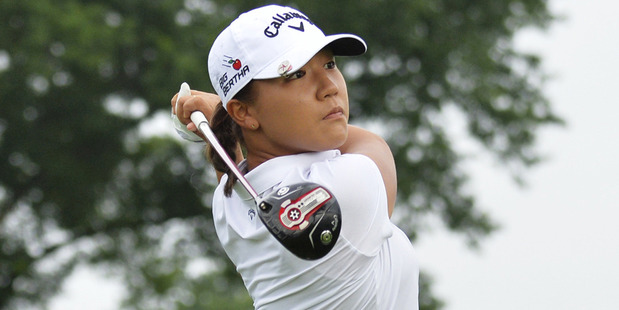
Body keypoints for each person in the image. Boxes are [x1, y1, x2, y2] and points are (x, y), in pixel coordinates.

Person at [171, 4, 419, 309]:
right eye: (297, 73)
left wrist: (226, 119)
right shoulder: (347, 189)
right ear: (244, 111)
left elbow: (233, 168)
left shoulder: (228, 202)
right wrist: (222, 116)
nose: (329, 88)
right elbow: (371, 144)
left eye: (329, 65)